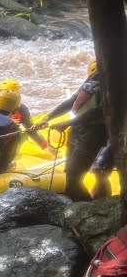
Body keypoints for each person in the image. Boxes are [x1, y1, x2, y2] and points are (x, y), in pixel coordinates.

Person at [46, 60, 108, 201]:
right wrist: (49, 117)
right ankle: (77, 203)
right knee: (69, 173)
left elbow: (101, 111)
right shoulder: (95, 75)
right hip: (77, 128)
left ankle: (88, 209)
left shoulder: (115, 82)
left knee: (74, 177)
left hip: (93, 133)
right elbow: (74, 99)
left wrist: (67, 122)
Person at [0, 79, 51, 151]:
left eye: (10, 97)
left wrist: (46, 146)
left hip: (11, 139)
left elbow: (30, 129)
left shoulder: (21, 109)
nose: (6, 99)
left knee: (21, 132)